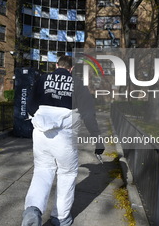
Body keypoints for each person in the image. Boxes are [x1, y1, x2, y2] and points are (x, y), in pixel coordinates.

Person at [21, 56, 104, 226]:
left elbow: (30, 104)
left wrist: (36, 120)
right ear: (71, 69)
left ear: (56, 65)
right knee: (66, 174)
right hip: (65, 137)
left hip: (41, 134)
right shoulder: (78, 83)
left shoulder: (42, 79)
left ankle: (32, 209)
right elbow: (88, 115)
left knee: (42, 171)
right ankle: (60, 217)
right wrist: (98, 139)